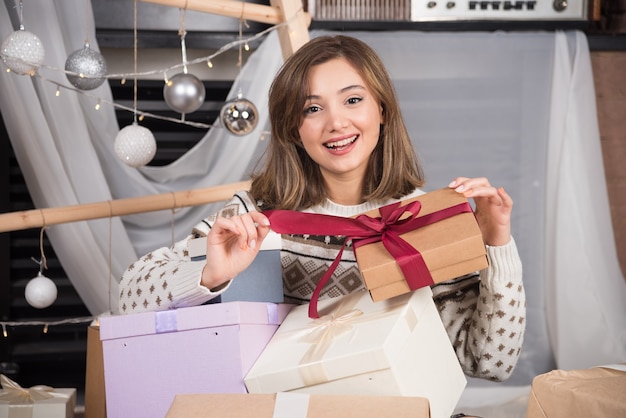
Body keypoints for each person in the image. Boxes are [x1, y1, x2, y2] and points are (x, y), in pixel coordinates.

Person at [118, 35, 525, 382]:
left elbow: (489, 362)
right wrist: (211, 274)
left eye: (352, 100)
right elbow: (129, 300)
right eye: (313, 108)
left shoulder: (420, 223)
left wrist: (496, 246)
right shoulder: (256, 217)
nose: (336, 122)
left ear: (381, 110)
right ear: (294, 129)